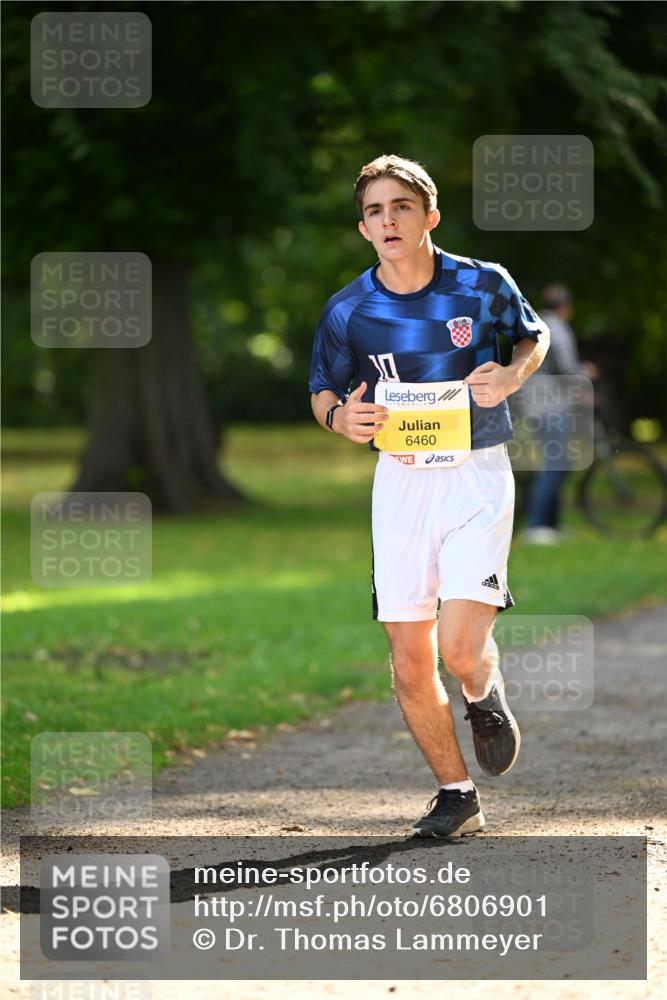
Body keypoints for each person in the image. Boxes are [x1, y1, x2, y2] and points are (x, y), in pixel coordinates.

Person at [308, 154, 550, 838]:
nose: (388, 221)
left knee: (459, 650)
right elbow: (322, 389)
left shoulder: (481, 283)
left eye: (401, 207)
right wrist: (339, 418)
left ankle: (480, 688)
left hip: (476, 474)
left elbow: (532, 338)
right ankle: (456, 794)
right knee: (410, 656)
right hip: (400, 483)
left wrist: (510, 375)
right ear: (363, 228)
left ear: (429, 216)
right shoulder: (348, 309)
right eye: (375, 211)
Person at [522, 284, 598, 544]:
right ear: (566, 307)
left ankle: (550, 525)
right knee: (556, 464)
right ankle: (537, 526)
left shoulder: (537, 324)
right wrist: (586, 375)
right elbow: (568, 369)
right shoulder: (559, 328)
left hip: (535, 404)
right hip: (550, 406)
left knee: (559, 463)